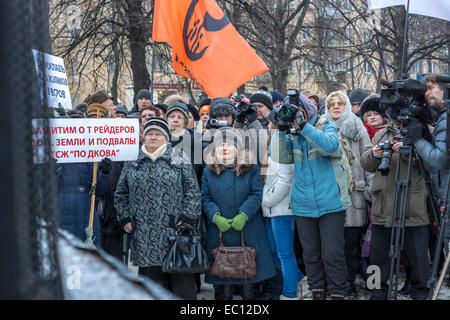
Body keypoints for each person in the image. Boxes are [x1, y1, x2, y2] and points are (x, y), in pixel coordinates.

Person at [114, 117, 202, 299]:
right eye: (149, 134)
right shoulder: (133, 161)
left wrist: (188, 218)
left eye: (158, 134)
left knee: (181, 284)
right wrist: (124, 218)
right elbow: (120, 193)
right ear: (144, 137)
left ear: (166, 138)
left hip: (175, 231)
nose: (153, 137)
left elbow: (192, 190)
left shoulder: (178, 157)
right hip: (144, 232)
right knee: (151, 284)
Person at [275, 97, 351, 300]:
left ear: (308, 110)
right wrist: (282, 132)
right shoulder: (293, 133)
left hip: (330, 202)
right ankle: (317, 291)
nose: (296, 116)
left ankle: (337, 293)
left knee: (332, 253)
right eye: (292, 112)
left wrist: (304, 127)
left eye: (299, 111)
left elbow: (331, 148)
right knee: (310, 254)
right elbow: (283, 158)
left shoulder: (325, 124)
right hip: (303, 203)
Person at [361, 113, 431, 300]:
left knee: (418, 258)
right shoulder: (383, 134)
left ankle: (421, 293)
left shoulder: (425, 132)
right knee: (376, 258)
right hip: (382, 205)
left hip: (412, 205)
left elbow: (433, 164)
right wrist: (374, 155)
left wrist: (411, 151)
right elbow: (366, 163)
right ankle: (375, 292)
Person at [201, 128, 276, 300]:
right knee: (222, 280)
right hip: (221, 231)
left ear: (237, 148)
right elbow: (205, 197)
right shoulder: (209, 171)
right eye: (220, 145)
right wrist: (215, 216)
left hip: (248, 229)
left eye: (229, 145)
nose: (224, 148)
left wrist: (243, 214)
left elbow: (256, 193)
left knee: (249, 280)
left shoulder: (250, 168)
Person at [324, 91, 373, 298]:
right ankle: (334, 284)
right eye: (331, 103)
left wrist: (371, 187)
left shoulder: (357, 126)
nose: (336, 106)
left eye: (340, 103)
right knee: (331, 247)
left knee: (351, 245)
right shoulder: (320, 125)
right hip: (329, 195)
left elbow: (368, 159)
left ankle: (349, 283)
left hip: (355, 195)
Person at [261, 114, 305, 300]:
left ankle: (290, 293)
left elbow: (286, 179)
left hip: (282, 209)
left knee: (285, 254)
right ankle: (302, 280)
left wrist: (267, 200)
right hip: (273, 211)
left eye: (272, 123)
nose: (270, 125)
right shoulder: (271, 147)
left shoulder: (284, 144)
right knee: (274, 251)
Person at [58, 103, 111, 247]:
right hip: (62, 211)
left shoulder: (91, 156)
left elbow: (98, 191)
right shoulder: (56, 155)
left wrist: (105, 172)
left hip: (87, 213)